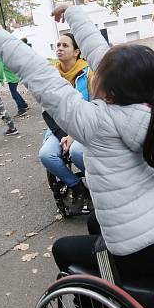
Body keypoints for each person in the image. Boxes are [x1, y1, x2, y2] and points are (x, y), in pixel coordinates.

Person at [0, 4, 154, 308]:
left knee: (63, 249)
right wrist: (73, 13)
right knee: (93, 221)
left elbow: (41, 75)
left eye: (99, 73)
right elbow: (103, 54)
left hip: (136, 249)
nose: (94, 69)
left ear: (109, 93)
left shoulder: (98, 123)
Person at [39, 33, 92, 212]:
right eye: (58, 45)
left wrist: (73, 134)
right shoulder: (51, 75)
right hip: (58, 128)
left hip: (84, 126)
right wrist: (64, 135)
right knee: (46, 155)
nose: (59, 48)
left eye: (65, 45)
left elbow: (90, 106)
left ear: (76, 51)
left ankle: (98, 185)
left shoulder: (88, 72)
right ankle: (79, 188)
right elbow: (47, 112)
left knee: (77, 152)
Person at [0, 42, 29, 117]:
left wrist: (1, 79)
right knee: (15, 91)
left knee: (14, 94)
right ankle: (24, 104)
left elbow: (0, 69)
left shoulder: (0, 57)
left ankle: (21, 109)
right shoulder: (9, 54)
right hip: (16, 75)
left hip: (11, 78)